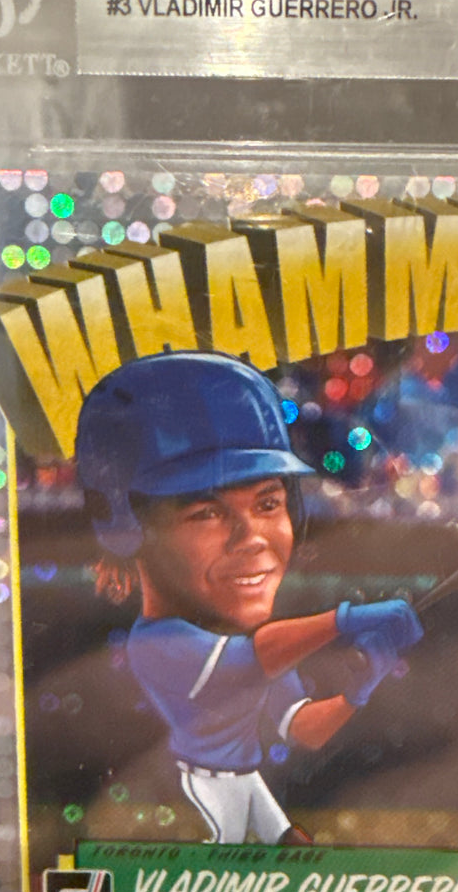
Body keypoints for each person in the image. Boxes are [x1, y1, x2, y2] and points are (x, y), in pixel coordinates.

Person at [75, 351, 422, 845]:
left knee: (295, 851)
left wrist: (358, 692)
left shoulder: (261, 647)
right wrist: (348, 619)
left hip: (245, 781)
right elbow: (257, 655)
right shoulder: (160, 643)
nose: (253, 538)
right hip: (190, 800)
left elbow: (304, 728)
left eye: (268, 503)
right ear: (128, 529)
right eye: (206, 513)